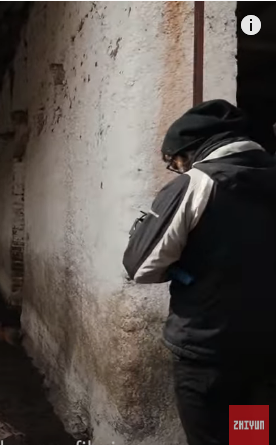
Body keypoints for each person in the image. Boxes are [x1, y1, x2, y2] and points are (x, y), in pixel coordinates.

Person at [122, 99, 276, 445]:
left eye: (176, 163)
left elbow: (141, 266)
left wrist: (184, 266)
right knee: (248, 438)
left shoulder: (196, 183)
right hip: (264, 353)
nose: (178, 169)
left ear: (190, 151)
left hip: (208, 355)